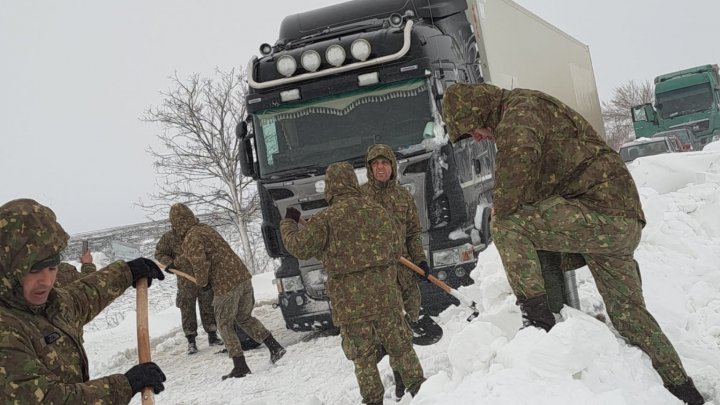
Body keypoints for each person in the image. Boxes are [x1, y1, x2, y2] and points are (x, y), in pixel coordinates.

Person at [441, 82, 705, 405]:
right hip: (617, 220)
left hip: (601, 215)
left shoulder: (518, 117)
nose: (477, 138)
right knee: (628, 315)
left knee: (508, 224)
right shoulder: (527, 105)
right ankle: (684, 390)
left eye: (472, 131)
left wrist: (501, 204)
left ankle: (539, 320)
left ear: (478, 110)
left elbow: (510, 196)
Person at [280, 162, 425, 405]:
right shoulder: (377, 211)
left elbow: (299, 247)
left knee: (363, 357)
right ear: (352, 182)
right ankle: (423, 393)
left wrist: (289, 222)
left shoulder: (326, 219)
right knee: (401, 347)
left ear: (330, 187)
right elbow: (395, 246)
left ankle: (373, 400)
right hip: (386, 297)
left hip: (350, 305)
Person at [0, 198, 167, 403]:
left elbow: (85, 295)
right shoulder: (6, 328)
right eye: (34, 270)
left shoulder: (50, 304)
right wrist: (125, 384)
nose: (46, 281)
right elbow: (47, 400)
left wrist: (128, 271)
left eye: (52, 268)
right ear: (8, 271)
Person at [169, 203, 285, 380]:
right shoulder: (205, 229)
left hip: (225, 285)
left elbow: (199, 262)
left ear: (175, 223)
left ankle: (240, 366)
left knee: (224, 324)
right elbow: (197, 254)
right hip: (242, 277)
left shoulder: (191, 237)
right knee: (244, 317)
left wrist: (202, 283)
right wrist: (176, 264)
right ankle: (275, 347)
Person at [360, 143, 431, 398]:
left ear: (393, 167)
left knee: (408, 320)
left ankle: (401, 375)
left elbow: (413, 233)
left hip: (405, 272)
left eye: (385, 163)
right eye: (375, 164)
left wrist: (420, 260)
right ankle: (403, 379)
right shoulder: (360, 198)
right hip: (378, 278)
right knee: (391, 329)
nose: (380, 168)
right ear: (369, 168)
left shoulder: (402, 197)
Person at [155, 228, 223, 354]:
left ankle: (213, 336)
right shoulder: (169, 237)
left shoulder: (196, 232)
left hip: (204, 278)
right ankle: (191, 341)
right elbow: (159, 253)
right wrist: (170, 263)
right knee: (187, 310)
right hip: (185, 282)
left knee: (209, 307)